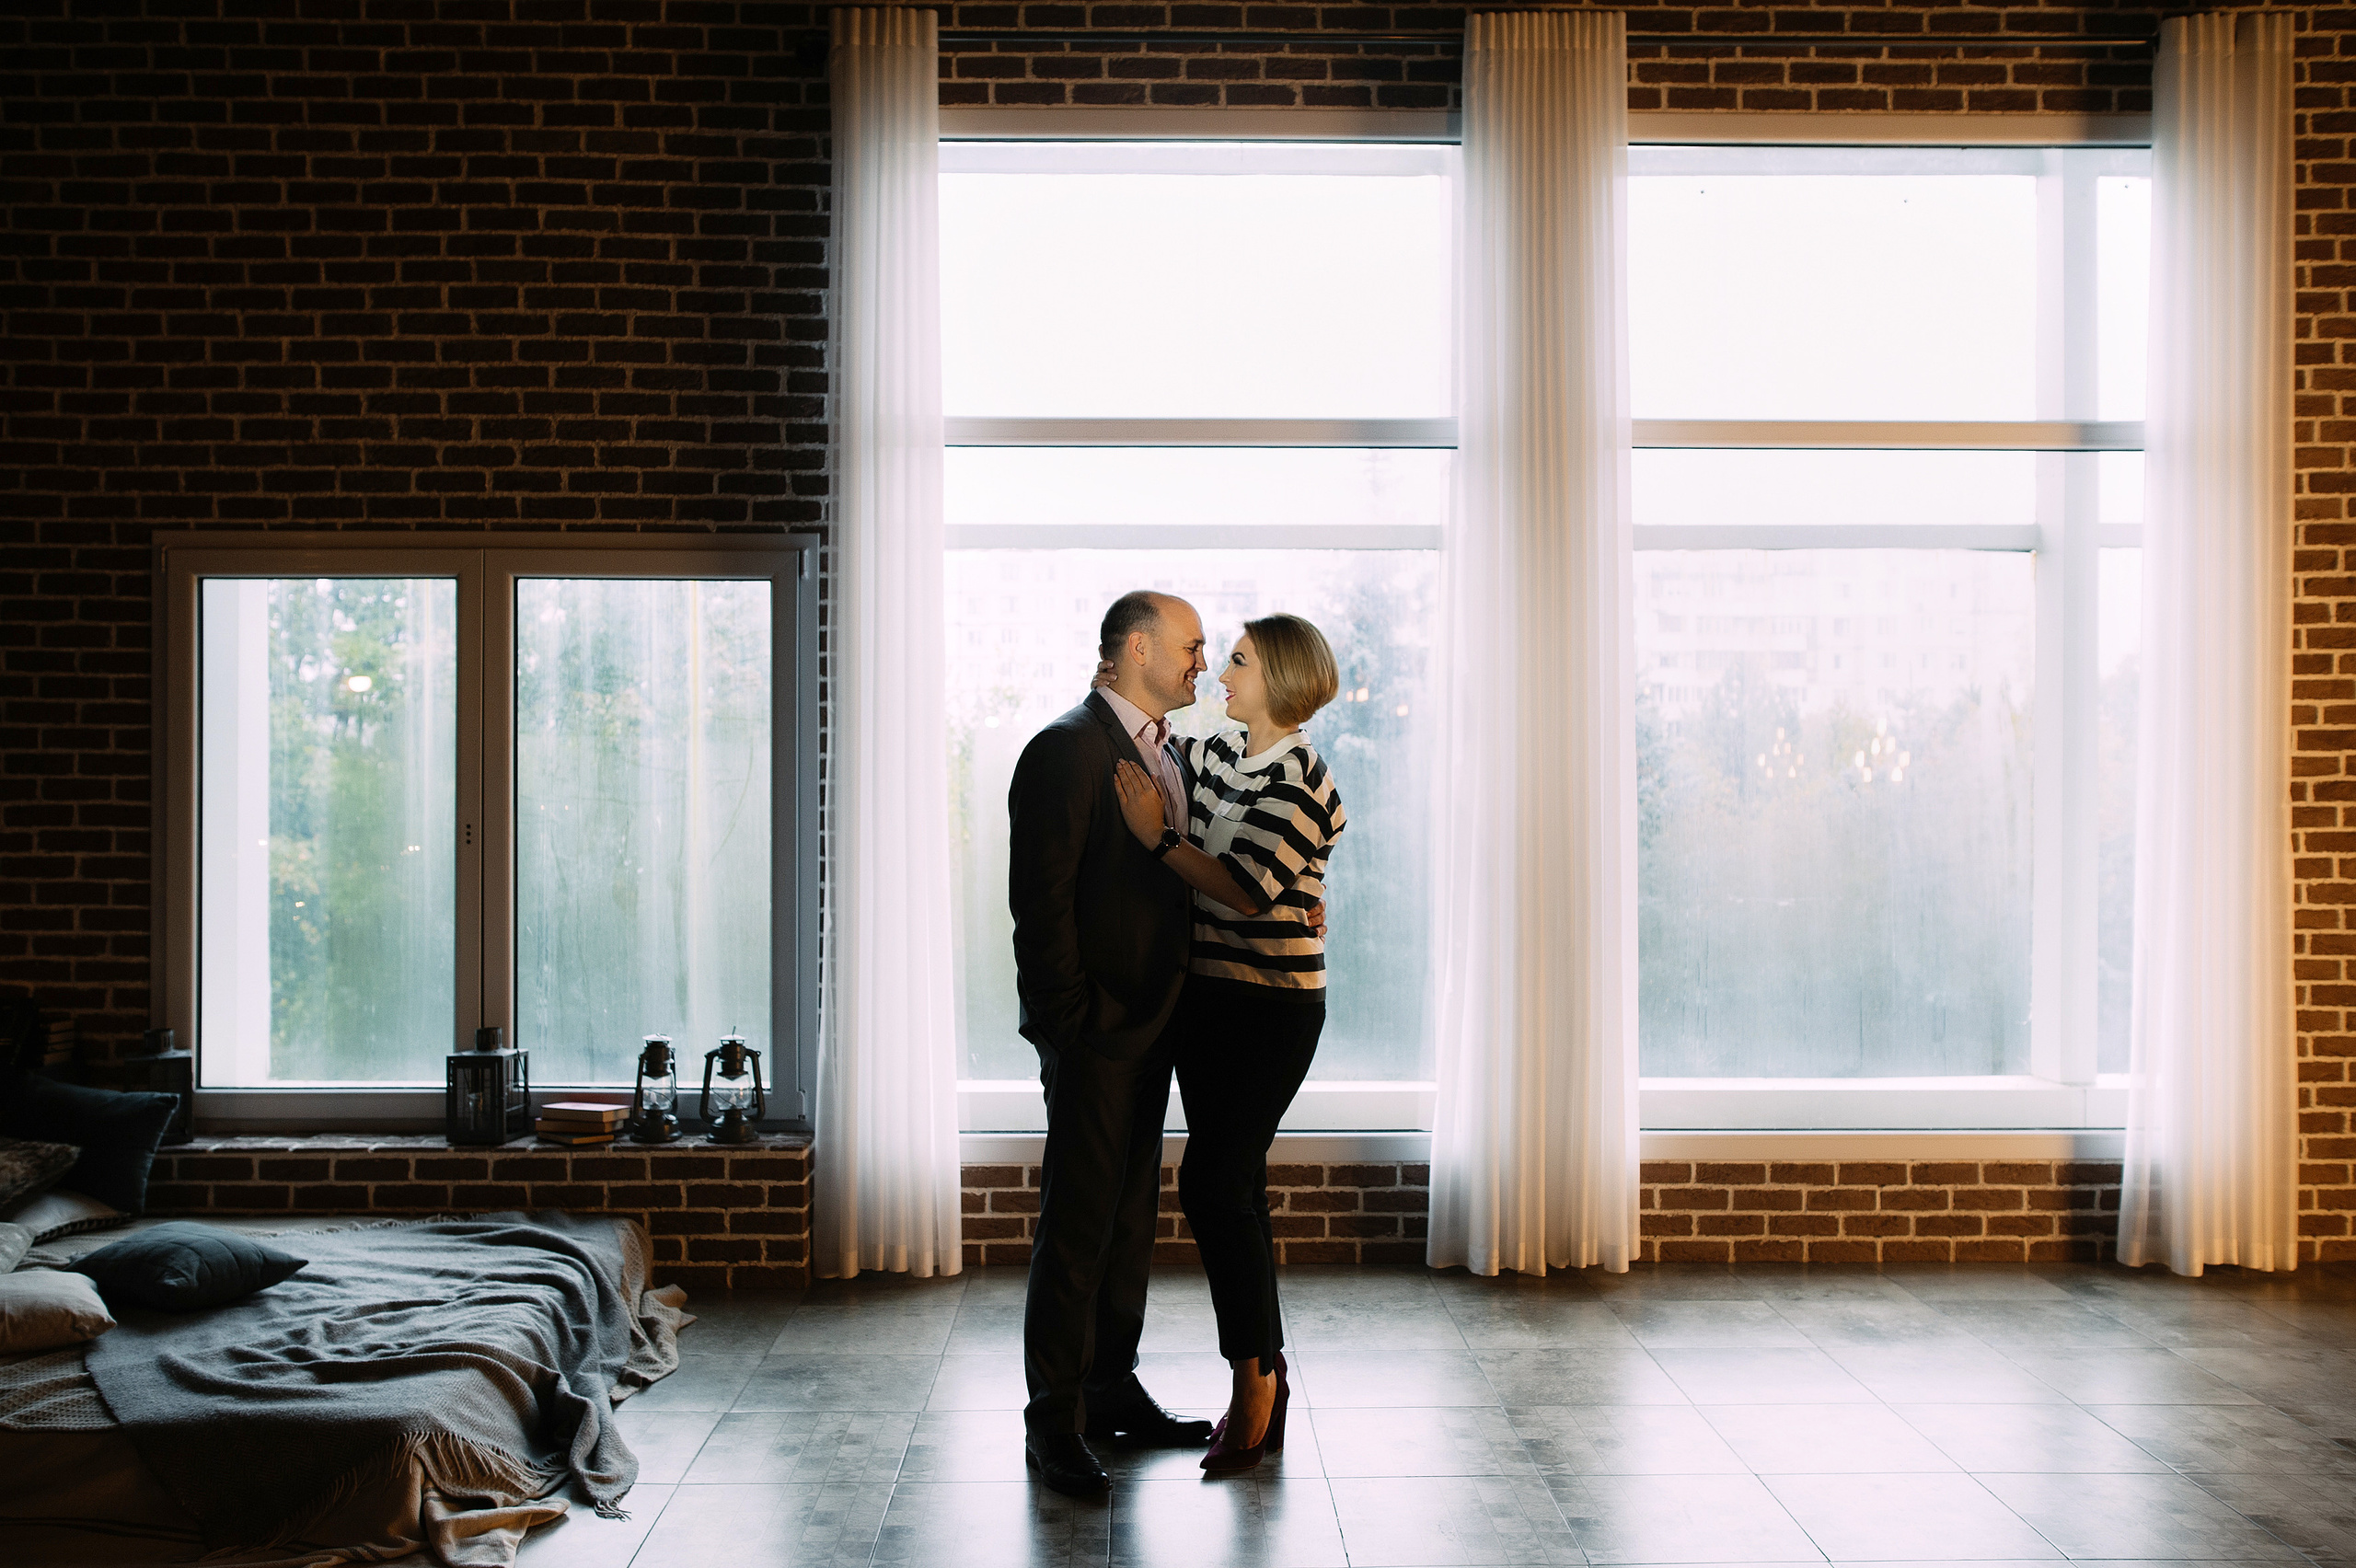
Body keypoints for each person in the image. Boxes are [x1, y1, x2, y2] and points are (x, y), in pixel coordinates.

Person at [1107, 613, 1346, 1476]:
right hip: (1206, 1001)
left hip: (1272, 1012)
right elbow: (1155, 740)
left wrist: (1160, 841)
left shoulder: (1306, 779)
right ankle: (1268, 1371)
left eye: (1237, 661)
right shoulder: (1215, 750)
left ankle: (1253, 1383)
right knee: (1238, 1186)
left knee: (1209, 1181)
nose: (1219, 671)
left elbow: (1245, 890)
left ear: (1278, 679)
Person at [1005, 590, 1220, 1498]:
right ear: (1136, 649)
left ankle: (1110, 1390)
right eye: (1190, 648)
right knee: (1079, 1228)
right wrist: (1073, 1023)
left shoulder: (1169, 751)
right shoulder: (1065, 749)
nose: (1201, 665)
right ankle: (1053, 1423)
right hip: (1097, 1035)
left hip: (1156, 1027)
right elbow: (1039, 904)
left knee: (1130, 1221)